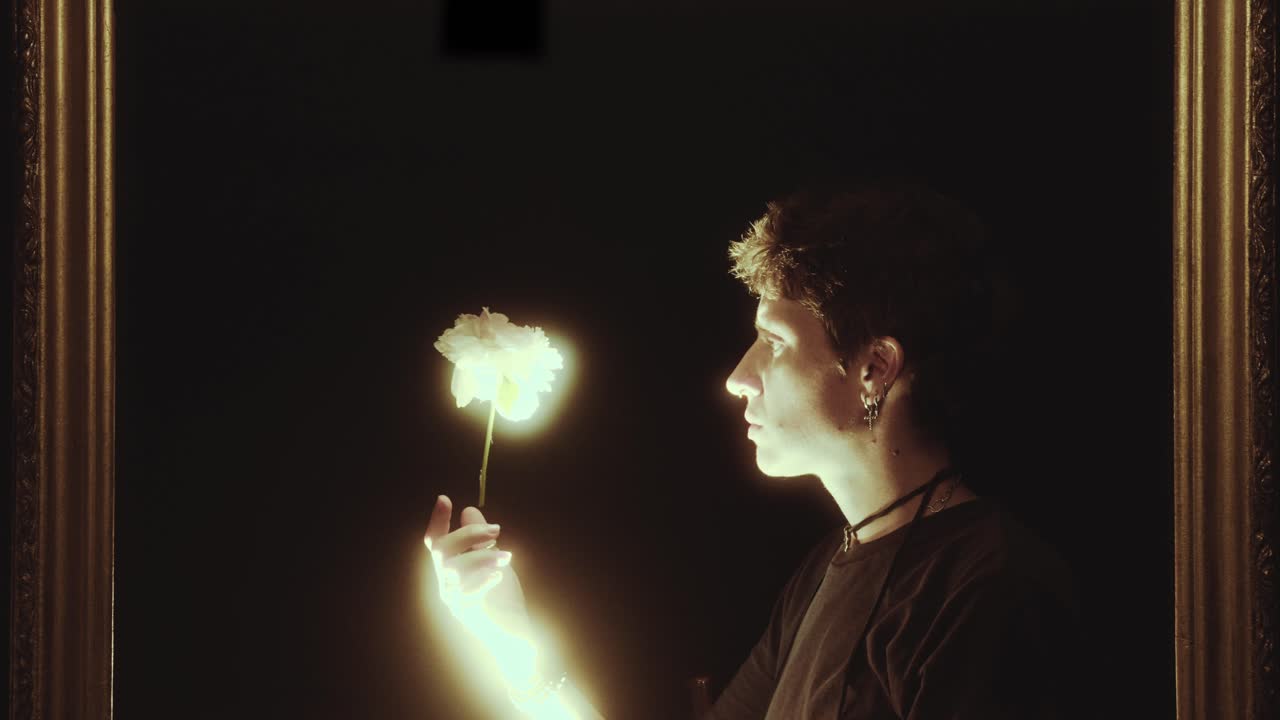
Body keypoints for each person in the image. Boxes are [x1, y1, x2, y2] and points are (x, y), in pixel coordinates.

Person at [424, 183, 1085, 719]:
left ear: (875, 368)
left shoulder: (988, 589)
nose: (739, 377)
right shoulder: (831, 568)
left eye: (774, 340)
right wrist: (506, 636)